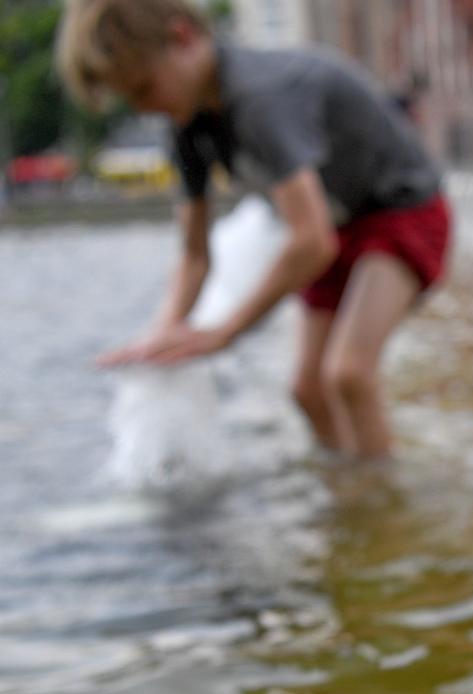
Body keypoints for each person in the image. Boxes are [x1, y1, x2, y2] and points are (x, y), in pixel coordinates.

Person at [56, 0, 450, 461]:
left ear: (183, 37)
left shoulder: (260, 97)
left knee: (347, 374)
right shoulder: (185, 124)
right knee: (306, 389)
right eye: (132, 99)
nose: (145, 107)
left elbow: (310, 240)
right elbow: (194, 256)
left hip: (403, 211)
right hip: (338, 227)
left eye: (145, 87)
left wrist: (226, 332)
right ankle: (350, 497)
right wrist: (164, 334)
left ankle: (386, 510)